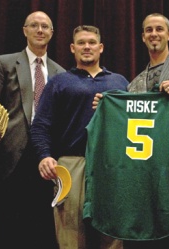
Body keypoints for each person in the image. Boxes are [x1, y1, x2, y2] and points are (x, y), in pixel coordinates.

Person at [93, 13, 169, 249]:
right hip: (152, 170)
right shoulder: (135, 83)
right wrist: (106, 108)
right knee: (158, 238)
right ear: (142, 37)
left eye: (159, 29)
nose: (154, 34)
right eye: (149, 30)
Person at [30, 25, 129, 249]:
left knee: (113, 232)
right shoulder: (59, 82)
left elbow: (134, 124)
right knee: (69, 233)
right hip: (71, 163)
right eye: (81, 43)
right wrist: (44, 156)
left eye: (92, 42)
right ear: (72, 48)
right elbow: (40, 125)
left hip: (111, 164)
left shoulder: (120, 83)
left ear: (101, 47)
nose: (87, 47)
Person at [0, 11, 65, 249]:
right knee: (7, 225)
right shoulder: (3, 63)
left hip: (45, 155)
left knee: (41, 225)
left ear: (52, 33)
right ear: (25, 30)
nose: (40, 30)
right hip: (11, 154)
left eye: (45, 26)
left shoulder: (60, 73)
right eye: (34, 25)